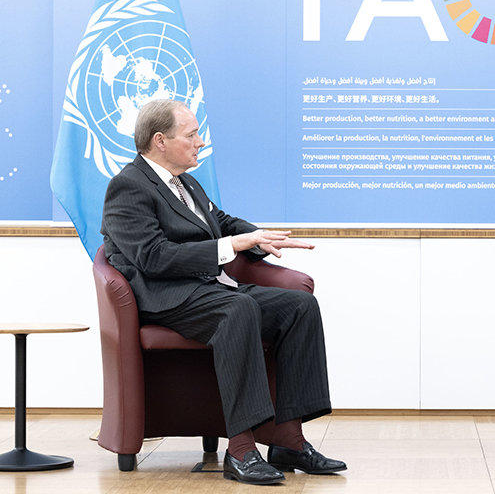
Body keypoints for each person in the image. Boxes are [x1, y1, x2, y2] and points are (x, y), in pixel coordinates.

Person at [101, 99, 347, 485]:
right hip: (168, 297)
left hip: (207, 289)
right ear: (160, 140)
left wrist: (257, 237)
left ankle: (288, 440)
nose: (200, 142)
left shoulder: (186, 183)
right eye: (192, 134)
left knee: (299, 306)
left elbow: (221, 220)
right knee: (239, 308)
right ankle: (242, 450)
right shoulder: (128, 186)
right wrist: (232, 245)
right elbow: (152, 257)